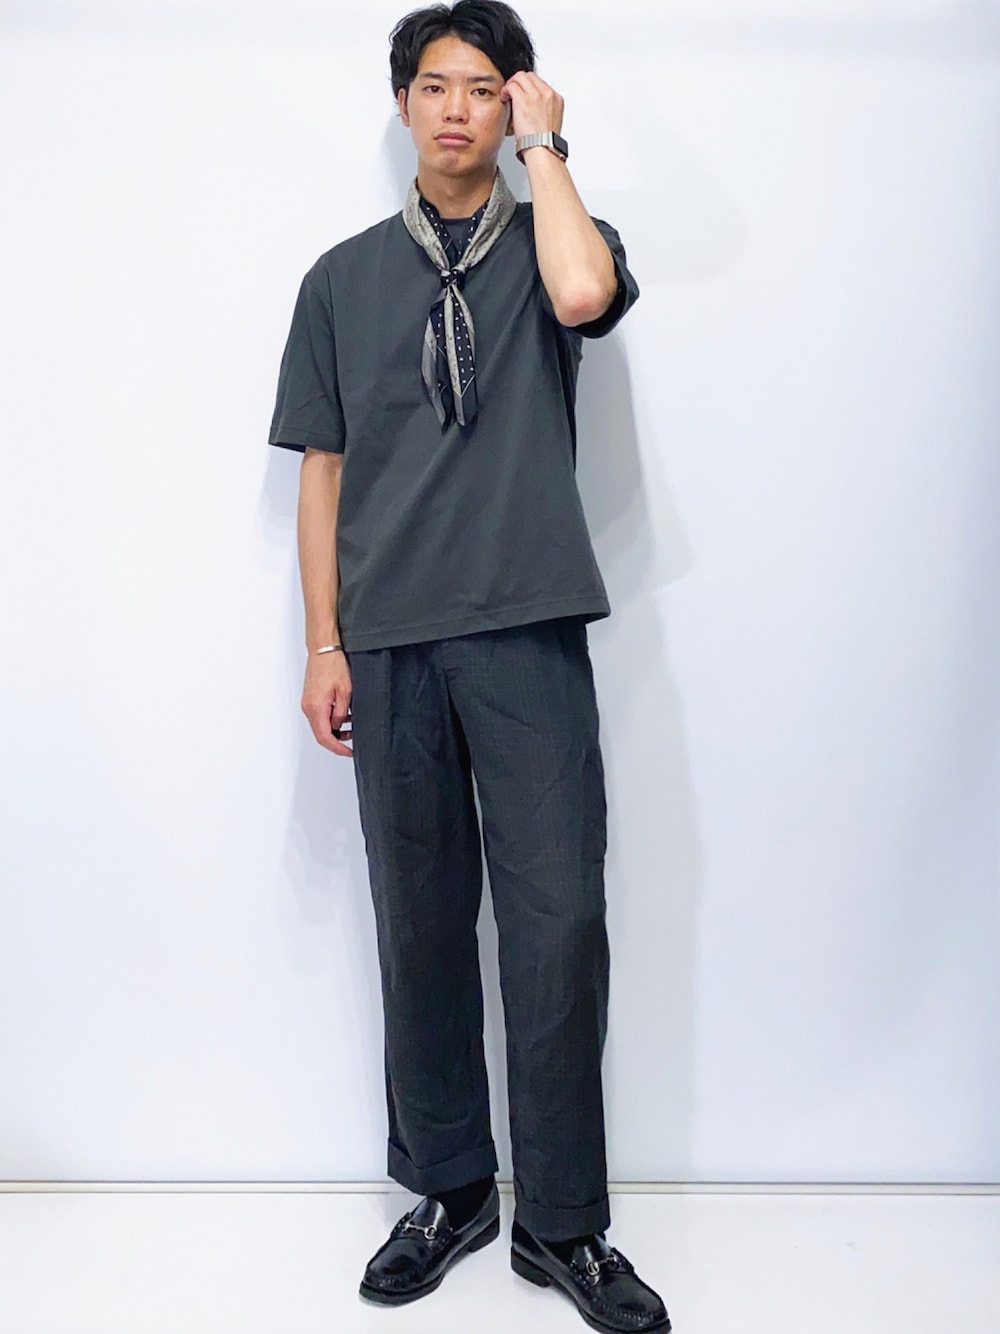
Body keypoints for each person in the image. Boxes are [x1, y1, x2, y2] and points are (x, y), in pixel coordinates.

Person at [268, 2, 669, 1329]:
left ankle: (563, 1220)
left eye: (484, 89)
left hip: (527, 622)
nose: (456, 109)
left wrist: (550, 152)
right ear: (403, 106)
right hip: (389, 641)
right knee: (421, 922)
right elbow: (324, 473)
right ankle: (450, 1188)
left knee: (558, 928)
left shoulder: (557, 234)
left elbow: (583, 299)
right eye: (435, 86)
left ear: (514, 104)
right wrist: (323, 641)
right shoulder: (340, 280)